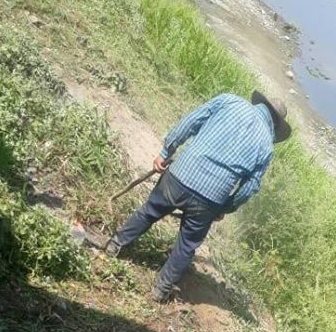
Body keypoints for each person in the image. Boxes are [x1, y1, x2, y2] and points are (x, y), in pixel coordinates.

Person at [105, 91, 291, 302]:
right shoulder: (266, 145)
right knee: (187, 244)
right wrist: (225, 207)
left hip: (180, 175)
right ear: (275, 125)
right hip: (209, 199)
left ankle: (115, 245)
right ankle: (160, 290)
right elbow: (250, 187)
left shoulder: (229, 101)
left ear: (260, 103)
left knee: (149, 212)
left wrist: (166, 152)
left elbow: (191, 122)